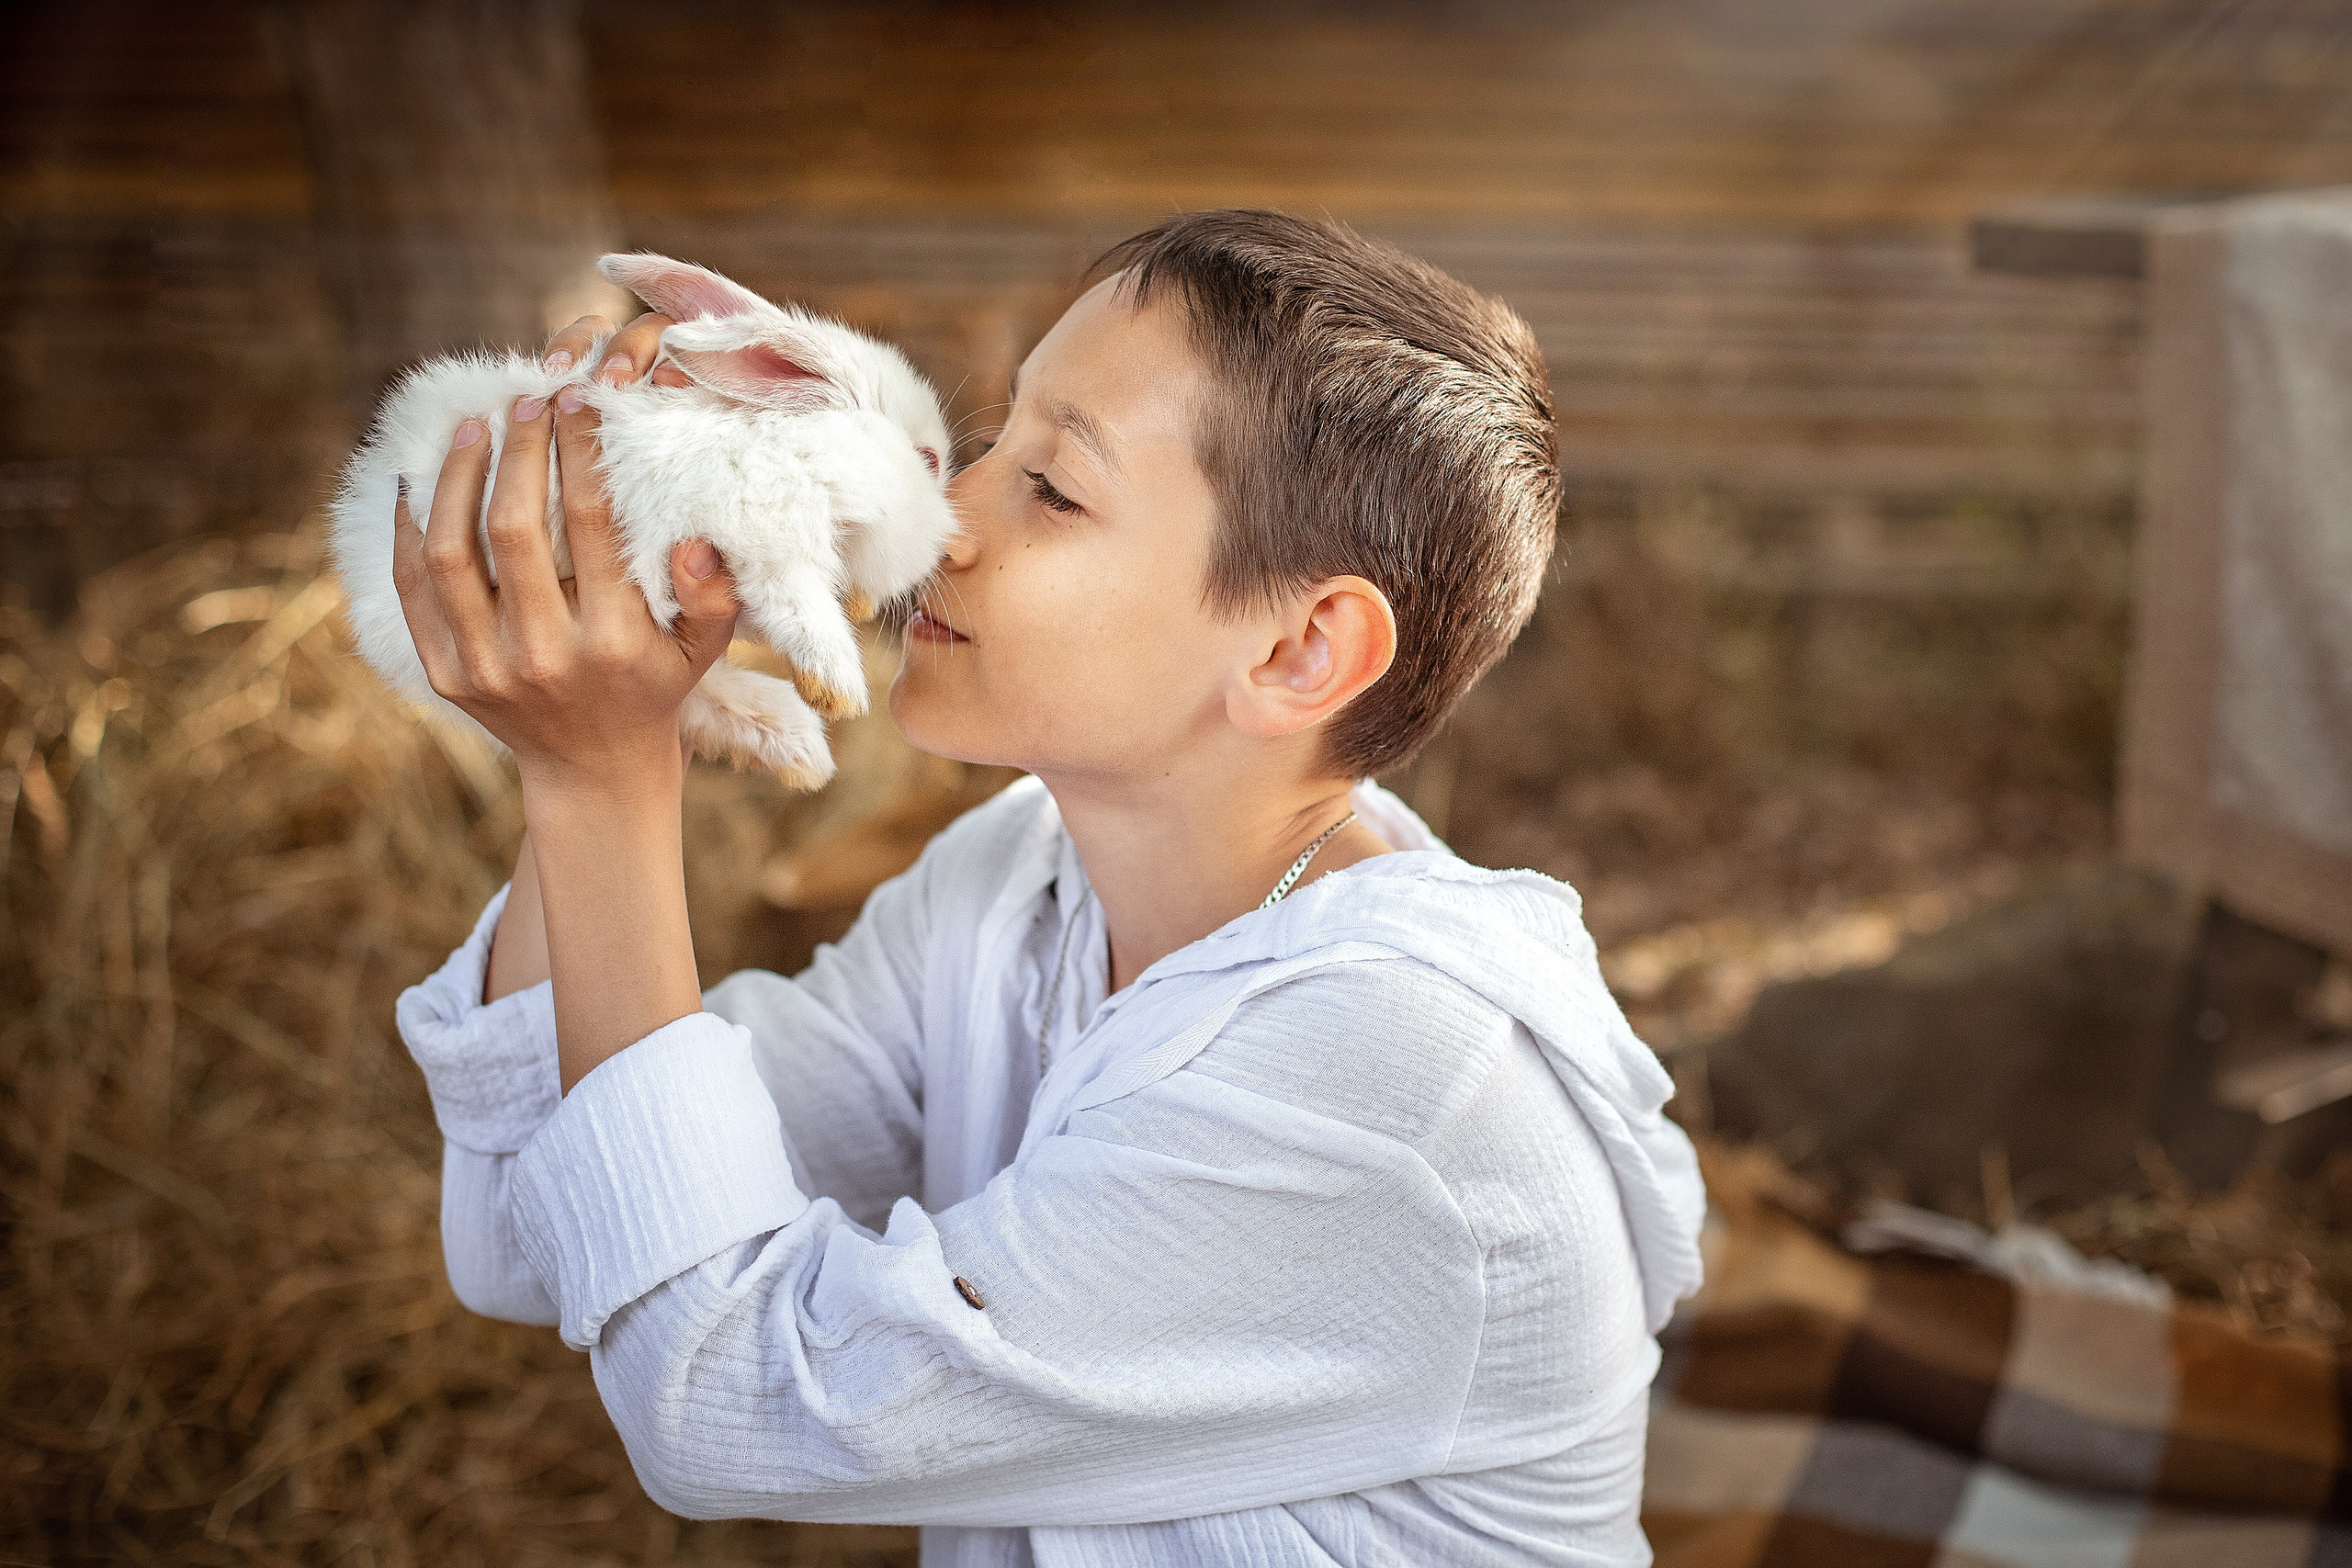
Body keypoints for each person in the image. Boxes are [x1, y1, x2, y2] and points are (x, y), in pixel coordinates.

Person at [392, 209, 1704, 1568]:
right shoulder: (1017, 883)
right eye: (997, 438)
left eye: (1055, 488)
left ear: (1302, 649)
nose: (947, 520)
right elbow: (534, 1233)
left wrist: (599, 781)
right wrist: (614, 700)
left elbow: (734, 1407)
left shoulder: (1393, 1086)